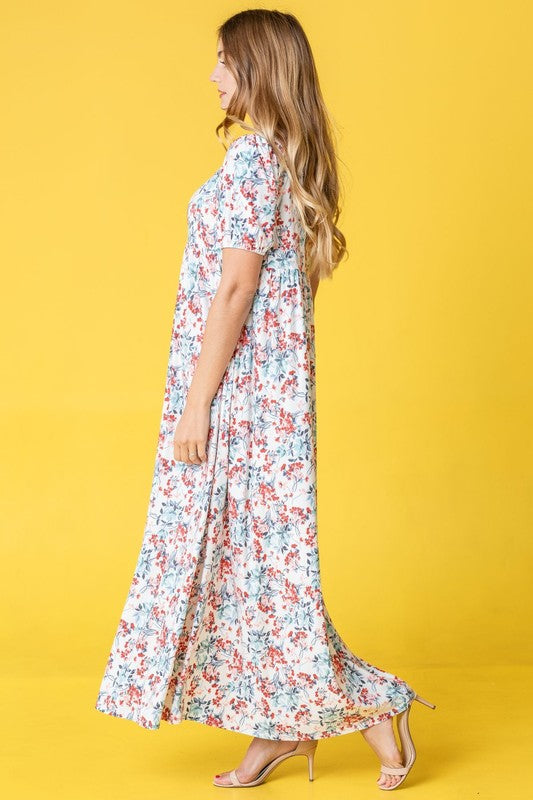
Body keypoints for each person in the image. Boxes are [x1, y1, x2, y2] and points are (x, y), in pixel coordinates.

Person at [95, 8, 436, 791]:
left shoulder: (254, 162)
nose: (212, 76)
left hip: (241, 405)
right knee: (252, 572)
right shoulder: (286, 159)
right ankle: (280, 732)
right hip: (269, 404)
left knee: (262, 576)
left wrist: (196, 405)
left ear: (258, 69)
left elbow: (237, 288)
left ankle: (372, 705)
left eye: (223, 61)